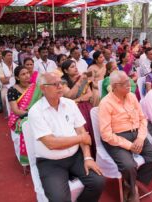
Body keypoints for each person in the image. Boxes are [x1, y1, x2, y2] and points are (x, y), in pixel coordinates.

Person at [28, 72, 105, 202]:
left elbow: (81, 131)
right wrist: (80, 139)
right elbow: (51, 143)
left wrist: (87, 157)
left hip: (76, 157)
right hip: (50, 162)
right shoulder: (36, 111)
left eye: (61, 83)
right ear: (43, 88)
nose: (60, 87)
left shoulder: (69, 104)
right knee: (59, 198)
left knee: (98, 181)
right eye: (55, 84)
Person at [99, 71, 152, 201]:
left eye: (129, 82)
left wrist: (140, 138)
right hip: (116, 138)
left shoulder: (132, 96)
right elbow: (106, 134)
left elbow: (143, 119)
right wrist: (129, 145)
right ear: (115, 86)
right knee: (129, 166)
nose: (130, 85)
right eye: (126, 83)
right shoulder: (105, 103)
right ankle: (132, 187)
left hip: (136, 134)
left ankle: (132, 183)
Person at [7, 66, 42, 165]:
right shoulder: (12, 90)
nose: (27, 75)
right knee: (23, 127)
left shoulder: (35, 88)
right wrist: (30, 114)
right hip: (19, 117)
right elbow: (16, 110)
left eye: (27, 73)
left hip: (36, 115)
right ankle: (26, 161)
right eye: (23, 74)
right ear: (17, 78)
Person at [61, 60, 96, 156]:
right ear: (66, 71)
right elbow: (69, 96)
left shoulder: (82, 78)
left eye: (75, 66)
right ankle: (83, 155)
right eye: (72, 67)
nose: (75, 68)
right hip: (71, 109)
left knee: (92, 128)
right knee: (81, 130)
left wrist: (78, 100)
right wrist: (79, 82)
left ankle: (94, 153)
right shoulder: (63, 81)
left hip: (85, 106)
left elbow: (89, 94)